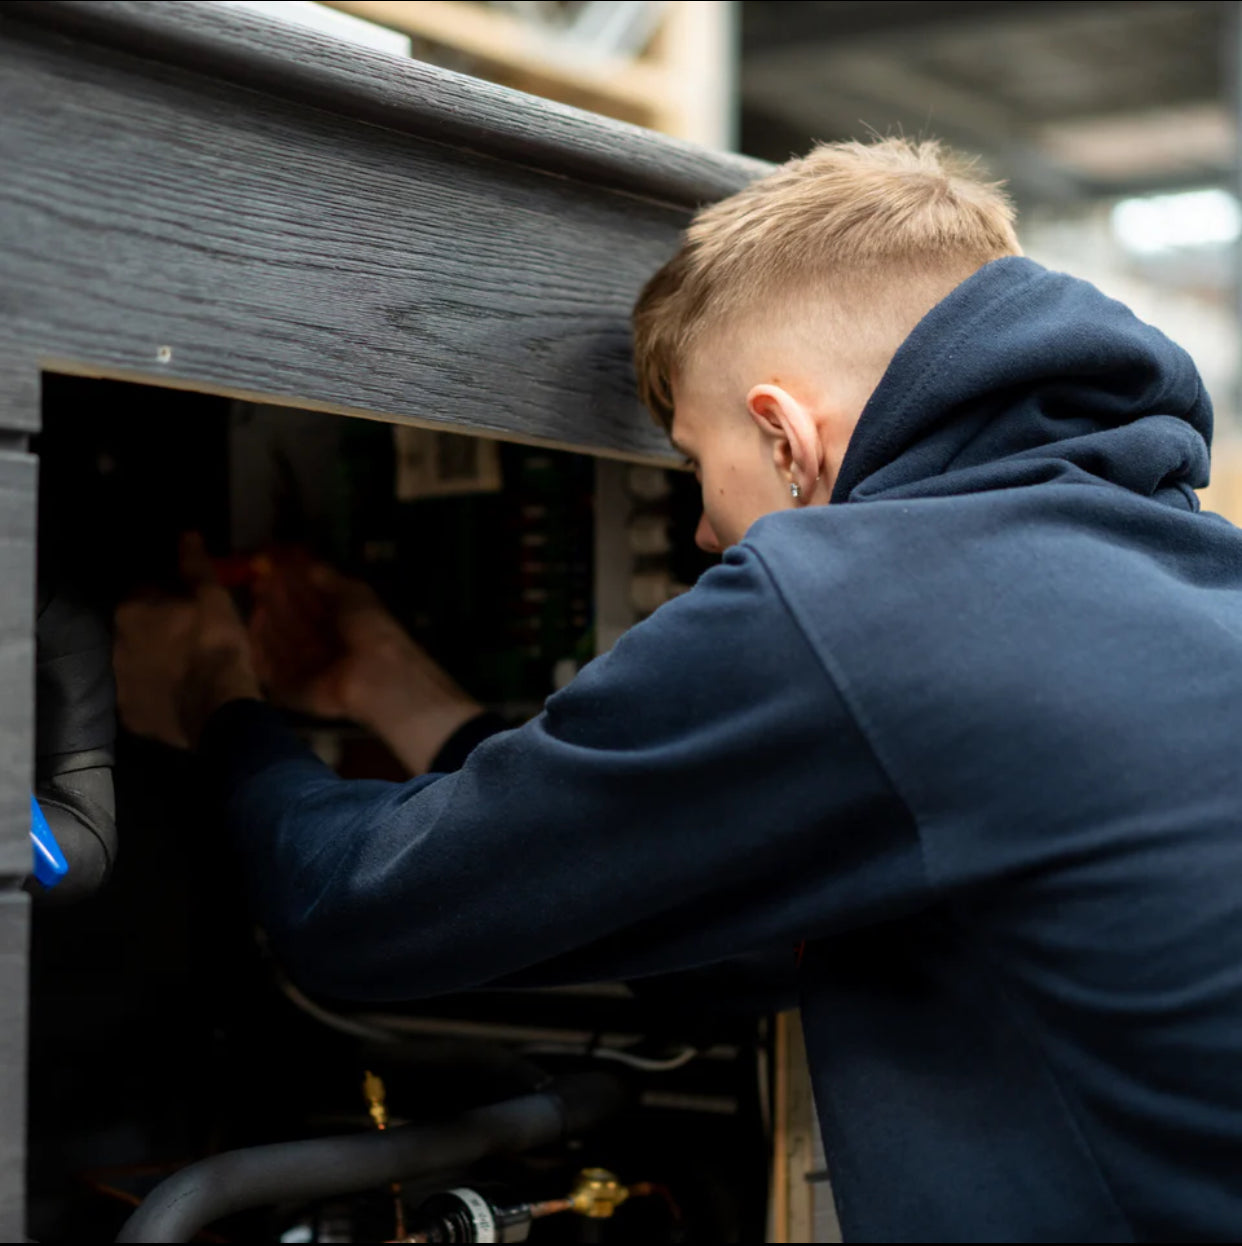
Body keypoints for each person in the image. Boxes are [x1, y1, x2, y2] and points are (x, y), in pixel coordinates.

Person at [113, 138, 1242, 1242]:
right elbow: (692, 922)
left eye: (700, 469)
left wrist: (216, 692)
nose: (702, 530)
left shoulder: (859, 594)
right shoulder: (1190, 576)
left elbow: (355, 911)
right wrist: (395, 690)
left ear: (786, 438)